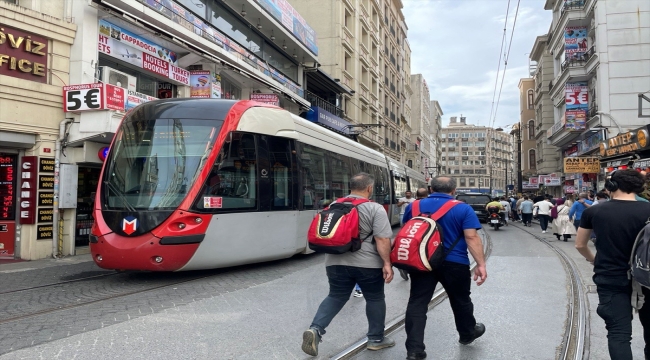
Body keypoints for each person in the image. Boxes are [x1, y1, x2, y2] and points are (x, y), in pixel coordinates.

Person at [302, 173, 395, 357]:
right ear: (369, 188)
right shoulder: (374, 208)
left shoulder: (333, 205)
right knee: (375, 298)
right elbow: (383, 239)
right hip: (368, 264)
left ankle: (316, 329)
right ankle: (376, 339)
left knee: (335, 296)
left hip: (334, 261)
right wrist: (387, 263)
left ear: (350, 187)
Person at [401, 177, 487, 360]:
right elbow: (471, 238)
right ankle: (467, 334)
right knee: (461, 300)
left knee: (417, 302)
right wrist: (480, 264)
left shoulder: (413, 207)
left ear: (431, 188)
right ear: (454, 190)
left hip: (422, 261)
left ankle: (414, 350)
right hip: (455, 262)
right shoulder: (463, 208)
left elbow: (407, 231)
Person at [575, 169, 650, 359]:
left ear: (611, 186)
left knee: (619, 334)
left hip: (611, 277)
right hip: (647, 278)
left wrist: (593, 260)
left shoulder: (594, 211)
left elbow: (580, 244)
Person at [399, 188, 430, 281]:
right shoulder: (431, 204)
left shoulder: (412, 205)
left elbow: (405, 221)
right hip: (427, 231)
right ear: (427, 195)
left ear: (416, 195)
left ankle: (406, 267)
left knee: (412, 250)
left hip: (413, 231)